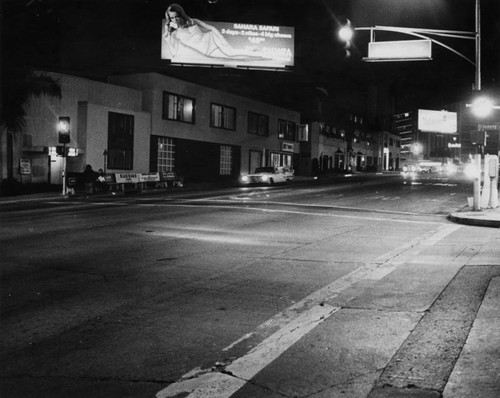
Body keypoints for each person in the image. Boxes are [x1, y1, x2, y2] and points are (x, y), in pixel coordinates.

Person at [163, 3, 270, 61]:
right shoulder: (174, 33)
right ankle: (253, 52)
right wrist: (167, 39)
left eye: (177, 16)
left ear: (180, 14)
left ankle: (261, 54)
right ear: (169, 19)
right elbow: (173, 54)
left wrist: (219, 36)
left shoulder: (192, 21)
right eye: (172, 18)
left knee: (231, 52)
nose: (175, 19)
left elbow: (211, 28)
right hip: (208, 51)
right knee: (233, 56)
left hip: (212, 38)